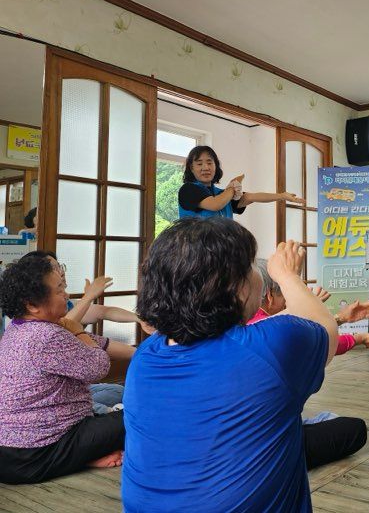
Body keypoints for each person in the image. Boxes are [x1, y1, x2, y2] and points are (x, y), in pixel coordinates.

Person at [122, 218, 339, 512]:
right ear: (235, 289)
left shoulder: (145, 356)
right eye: (252, 265)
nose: (259, 273)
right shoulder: (270, 348)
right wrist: (287, 275)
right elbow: (324, 326)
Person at [0, 256, 131, 484]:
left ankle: (83, 457)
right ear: (32, 304)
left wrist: (144, 354)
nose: (67, 295)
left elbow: (93, 342)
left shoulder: (18, 328)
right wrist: (78, 330)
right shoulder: (47, 336)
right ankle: (78, 456)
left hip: (12, 454)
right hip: (36, 455)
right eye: (60, 289)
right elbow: (98, 365)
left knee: (112, 398)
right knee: (142, 414)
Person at [250, 258, 369, 469]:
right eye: (283, 294)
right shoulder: (270, 330)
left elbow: (313, 335)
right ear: (269, 295)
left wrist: (338, 320)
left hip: (244, 439)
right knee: (354, 429)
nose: (286, 301)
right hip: (266, 447)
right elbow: (319, 340)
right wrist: (352, 333)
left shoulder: (238, 329)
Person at [19, 250, 143, 414]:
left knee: (117, 391)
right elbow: (66, 327)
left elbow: (102, 313)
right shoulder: (39, 328)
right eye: (53, 268)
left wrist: (140, 319)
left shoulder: (65, 304)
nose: (60, 273)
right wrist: (89, 296)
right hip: (48, 405)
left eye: (59, 267)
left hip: (73, 388)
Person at [178, 145, 305, 219]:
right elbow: (216, 204)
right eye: (199, 163)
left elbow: (251, 196)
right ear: (191, 168)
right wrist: (233, 186)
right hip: (196, 256)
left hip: (223, 254)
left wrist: (282, 196)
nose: (205, 167)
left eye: (210, 162)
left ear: (216, 166)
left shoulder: (222, 193)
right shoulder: (188, 190)